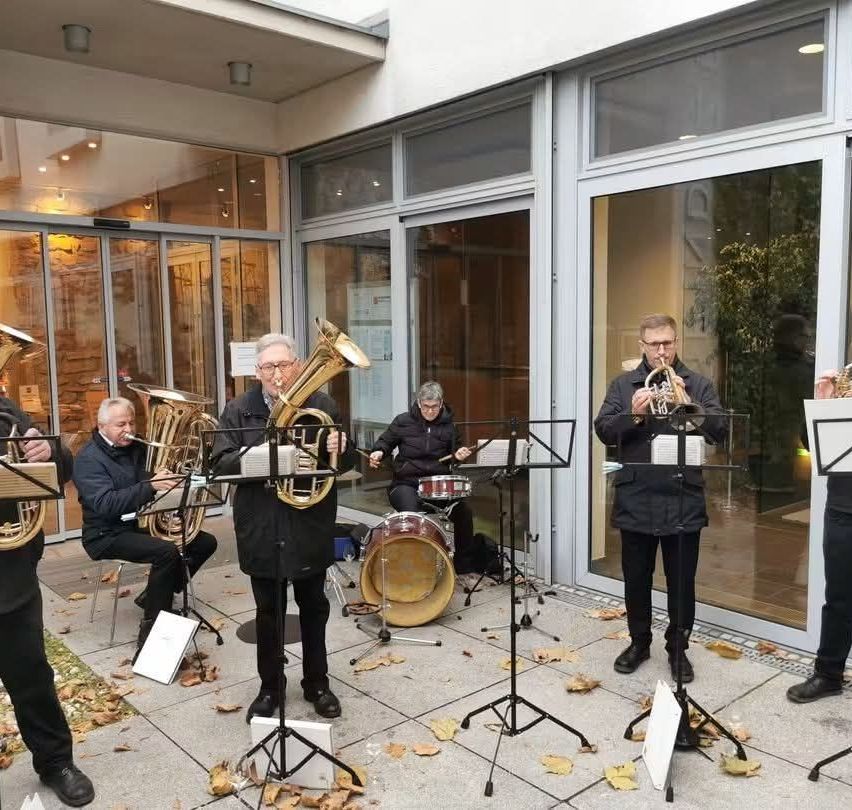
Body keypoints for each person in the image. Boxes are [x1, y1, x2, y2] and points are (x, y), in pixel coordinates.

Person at [211, 333, 354, 722]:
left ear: (298, 365)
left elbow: (344, 464)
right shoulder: (238, 410)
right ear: (257, 372)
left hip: (308, 523)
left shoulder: (322, 405)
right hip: (261, 526)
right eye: (269, 367)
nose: (277, 374)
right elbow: (221, 463)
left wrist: (341, 447)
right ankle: (270, 688)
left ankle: (317, 684)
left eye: (284, 365)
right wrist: (264, 457)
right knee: (268, 613)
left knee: (314, 608)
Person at [594, 313, 724, 682]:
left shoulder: (697, 383)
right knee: (636, 577)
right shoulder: (623, 386)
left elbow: (720, 430)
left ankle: (678, 649)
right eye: (654, 345)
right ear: (643, 346)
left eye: (668, 343)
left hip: (683, 497)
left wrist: (688, 399)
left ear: (676, 342)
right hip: (636, 496)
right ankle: (639, 642)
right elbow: (604, 431)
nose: (662, 351)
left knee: (682, 581)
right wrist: (632, 416)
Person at [0, 396, 95, 806]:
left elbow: (62, 464)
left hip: (10, 575)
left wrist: (49, 451)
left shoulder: (6, 411)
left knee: (32, 678)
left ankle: (56, 762)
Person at [73, 397, 217, 658]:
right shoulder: (88, 459)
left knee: (204, 541)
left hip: (138, 523)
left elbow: (151, 487)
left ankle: (152, 595)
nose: (128, 429)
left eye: (131, 422)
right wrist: (151, 486)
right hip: (105, 533)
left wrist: (172, 496)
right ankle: (150, 636)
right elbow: (105, 504)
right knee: (166, 552)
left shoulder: (137, 449)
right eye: (120, 424)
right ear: (102, 425)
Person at [787, 368, 852, 702]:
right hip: (844, 508)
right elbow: (810, 444)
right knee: (839, 596)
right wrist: (823, 404)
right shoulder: (846, 386)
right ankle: (828, 674)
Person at [368, 381, 474, 570]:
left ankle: (463, 566)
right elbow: (385, 441)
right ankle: (415, 565)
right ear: (418, 403)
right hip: (406, 483)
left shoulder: (450, 427)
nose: (430, 411)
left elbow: (457, 454)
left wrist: (459, 456)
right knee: (411, 513)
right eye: (426, 406)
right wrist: (378, 452)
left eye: (434, 407)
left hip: (437, 486)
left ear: (441, 404)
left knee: (464, 513)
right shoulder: (403, 421)